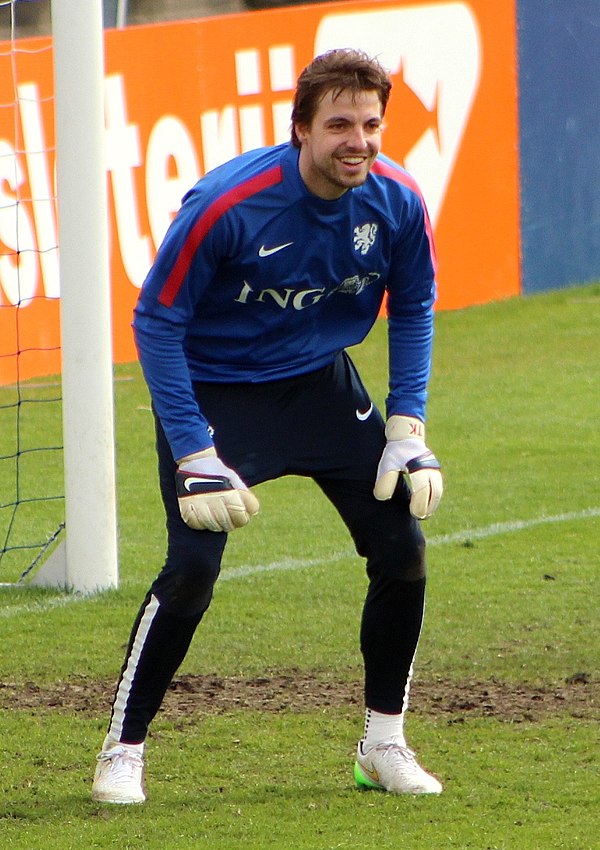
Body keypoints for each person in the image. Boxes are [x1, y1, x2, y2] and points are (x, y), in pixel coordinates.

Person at [91, 47, 444, 804]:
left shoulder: (399, 200)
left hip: (320, 387)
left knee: (403, 549)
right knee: (191, 574)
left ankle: (383, 744)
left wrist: (407, 426)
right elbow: (156, 320)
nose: (359, 140)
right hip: (216, 396)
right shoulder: (227, 204)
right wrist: (191, 446)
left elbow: (413, 303)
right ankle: (122, 750)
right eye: (340, 124)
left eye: (372, 123)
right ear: (301, 129)